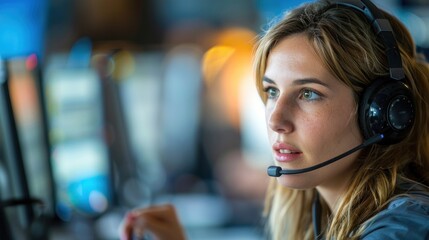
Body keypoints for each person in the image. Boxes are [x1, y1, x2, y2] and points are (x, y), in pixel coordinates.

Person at [119, 0, 429, 239]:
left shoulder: (404, 228)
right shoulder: (315, 213)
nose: (276, 119)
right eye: (271, 91)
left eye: (308, 93)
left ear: (382, 113)